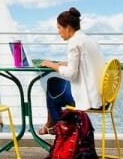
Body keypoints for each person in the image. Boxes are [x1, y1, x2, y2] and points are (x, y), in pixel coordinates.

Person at [38, 7, 105, 135]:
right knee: (54, 91)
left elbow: (71, 74)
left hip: (88, 97)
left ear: (67, 27)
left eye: (59, 28)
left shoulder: (74, 42)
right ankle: (53, 126)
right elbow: (88, 65)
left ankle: (60, 132)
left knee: (52, 84)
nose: (59, 32)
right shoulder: (89, 40)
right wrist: (66, 64)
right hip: (102, 96)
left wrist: (53, 65)